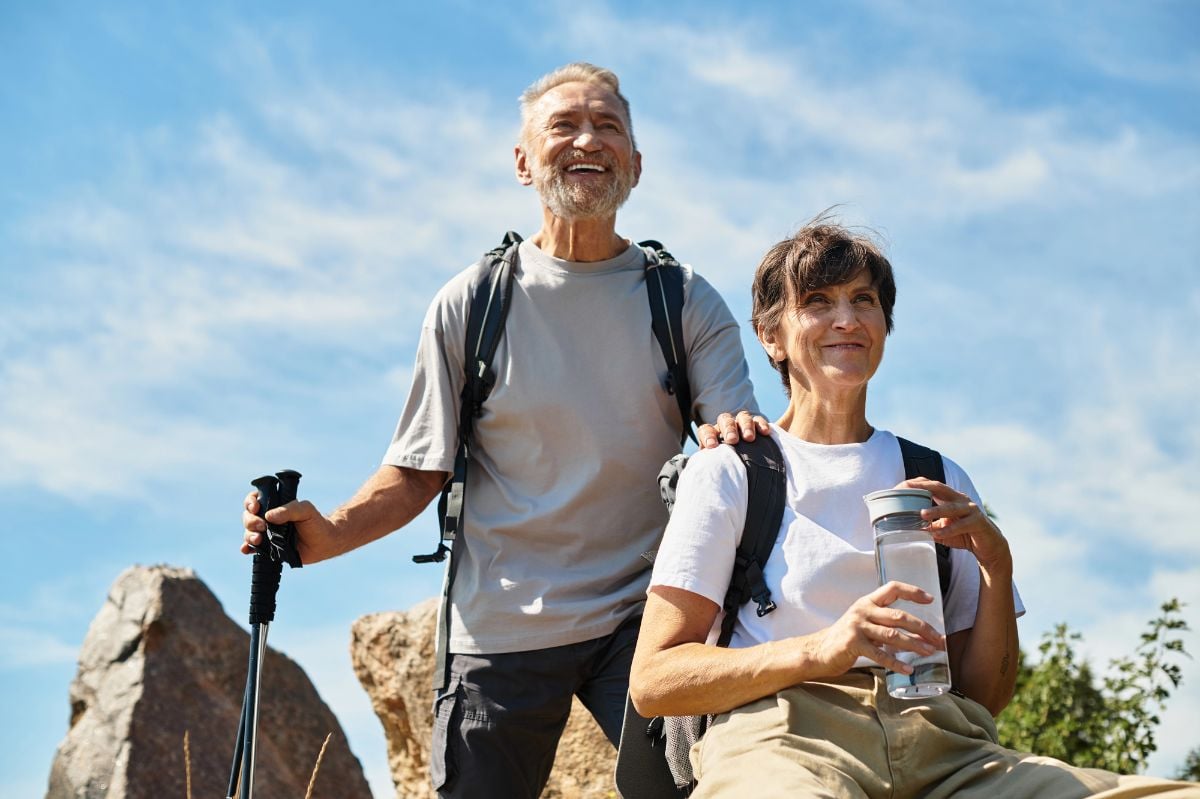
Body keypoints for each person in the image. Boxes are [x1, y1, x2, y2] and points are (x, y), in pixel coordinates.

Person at [240, 63, 766, 798]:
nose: (588, 138)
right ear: (523, 162)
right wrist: (327, 532)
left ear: (637, 165)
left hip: (640, 618)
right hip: (500, 629)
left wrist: (737, 438)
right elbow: (418, 470)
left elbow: (729, 438)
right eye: (564, 125)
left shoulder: (682, 300)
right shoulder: (472, 302)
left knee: (708, 786)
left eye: (608, 125)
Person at [629, 218, 1200, 798]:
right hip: (784, 740)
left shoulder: (936, 475)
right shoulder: (732, 469)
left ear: (884, 324)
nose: (847, 320)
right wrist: (821, 650)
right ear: (770, 335)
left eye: (864, 300)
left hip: (946, 748)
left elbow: (983, 696)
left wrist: (996, 570)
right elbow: (655, 680)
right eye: (818, 302)